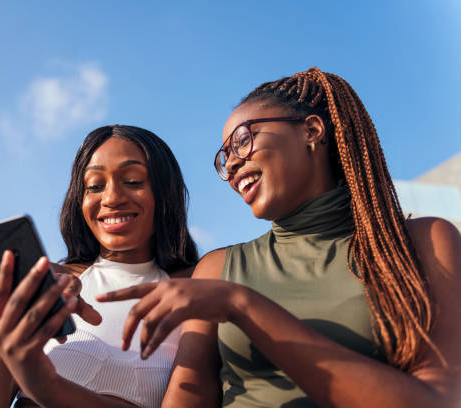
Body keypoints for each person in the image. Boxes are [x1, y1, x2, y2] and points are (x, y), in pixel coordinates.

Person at [98, 68, 461, 407]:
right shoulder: (218, 268)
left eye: (243, 140)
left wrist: (242, 305)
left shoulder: (424, 242)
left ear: (312, 131)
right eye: (225, 158)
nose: (233, 164)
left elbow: (440, 400)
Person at [0, 125, 198, 408]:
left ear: (166, 191)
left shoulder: (195, 289)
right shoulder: (55, 282)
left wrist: (46, 384)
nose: (111, 198)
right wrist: (10, 329)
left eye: (134, 181)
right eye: (95, 186)